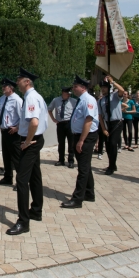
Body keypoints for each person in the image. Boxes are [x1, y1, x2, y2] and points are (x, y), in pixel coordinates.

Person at [6, 68, 48, 235]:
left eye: (19, 80)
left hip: (31, 141)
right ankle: (36, 210)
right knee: (35, 175)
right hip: (35, 139)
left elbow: (34, 122)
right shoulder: (34, 96)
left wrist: (27, 142)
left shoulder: (31, 97)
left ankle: (23, 222)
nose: (17, 82)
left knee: (22, 180)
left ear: (27, 81)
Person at [61, 74, 98, 210]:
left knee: (83, 168)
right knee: (85, 166)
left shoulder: (88, 100)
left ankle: (77, 199)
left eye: (75, 86)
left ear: (83, 87)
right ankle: (89, 193)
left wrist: (81, 140)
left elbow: (89, 120)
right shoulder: (81, 99)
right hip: (80, 135)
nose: (73, 89)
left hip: (86, 137)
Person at [0, 78, 23, 185]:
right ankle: (8, 178)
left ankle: (20, 181)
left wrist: (17, 128)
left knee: (16, 157)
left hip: (13, 132)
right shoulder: (2, 98)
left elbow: (22, 117)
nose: (2, 88)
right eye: (2, 86)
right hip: (4, 130)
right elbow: (0, 112)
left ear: (11, 88)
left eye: (5, 87)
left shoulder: (17, 100)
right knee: (6, 156)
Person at [98, 76, 125, 176]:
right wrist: (103, 129)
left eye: (105, 87)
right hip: (107, 124)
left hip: (117, 123)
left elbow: (122, 90)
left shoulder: (115, 96)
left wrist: (112, 82)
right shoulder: (100, 101)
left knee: (113, 143)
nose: (103, 89)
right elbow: (100, 116)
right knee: (108, 145)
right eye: (102, 87)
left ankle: (111, 166)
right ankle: (112, 164)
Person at [47, 87, 75, 167]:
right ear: (63, 93)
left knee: (71, 143)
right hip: (60, 124)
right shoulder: (56, 100)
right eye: (67, 93)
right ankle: (61, 160)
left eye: (69, 93)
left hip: (70, 124)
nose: (68, 95)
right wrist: (53, 119)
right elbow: (49, 109)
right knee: (61, 143)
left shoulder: (73, 101)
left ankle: (71, 161)